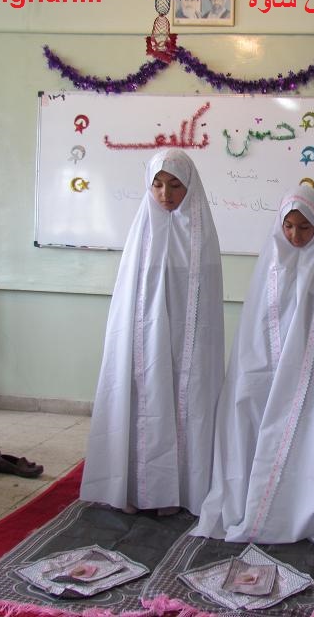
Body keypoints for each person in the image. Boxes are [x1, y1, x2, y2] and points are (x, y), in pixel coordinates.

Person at [192, 184, 314, 550]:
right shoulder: (270, 264)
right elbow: (256, 326)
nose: (295, 235)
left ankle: (302, 503)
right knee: (251, 416)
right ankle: (254, 498)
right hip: (267, 366)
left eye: (305, 227)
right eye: (289, 226)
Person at [80, 148, 224, 516]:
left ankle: (177, 491)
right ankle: (132, 487)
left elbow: (204, 306)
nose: (165, 194)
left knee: (182, 403)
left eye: (175, 185)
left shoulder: (202, 237)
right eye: (157, 185)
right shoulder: (141, 231)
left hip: (185, 345)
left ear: (189, 186)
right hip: (144, 340)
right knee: (140, 402)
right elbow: (130, 297)